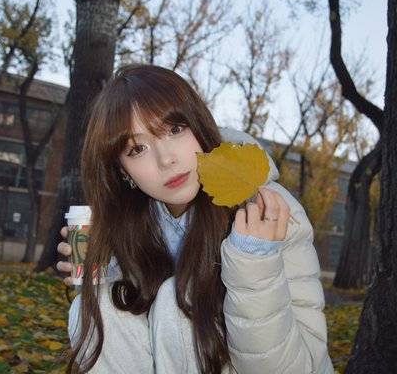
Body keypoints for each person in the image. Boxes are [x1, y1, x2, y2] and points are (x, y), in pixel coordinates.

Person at [56, 64, 334, 373]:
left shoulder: (266, 210)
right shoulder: (134, 224)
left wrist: (255, 265)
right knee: (98, 305)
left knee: (179, 300)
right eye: (137, 149)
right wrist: (106, 273)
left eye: (175, 130)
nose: (166, 159)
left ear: (199, 125)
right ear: (123, 171)